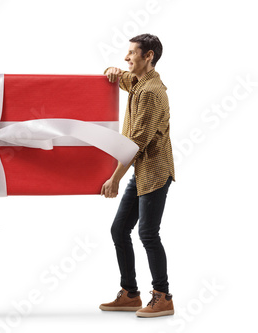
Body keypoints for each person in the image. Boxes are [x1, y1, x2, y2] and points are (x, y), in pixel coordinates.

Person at [99, 33, 175, 318]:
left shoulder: (152, 93)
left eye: (132, 53)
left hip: (154, 172)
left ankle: (163, 296)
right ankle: (130, 294)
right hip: (141, 171)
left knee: (147, 233)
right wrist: (112, 70)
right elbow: (118, 76)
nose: (126, 57)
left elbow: (136, 143)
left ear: (149, 56)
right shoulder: (140, 83)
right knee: (119, 230)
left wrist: (115, 178)